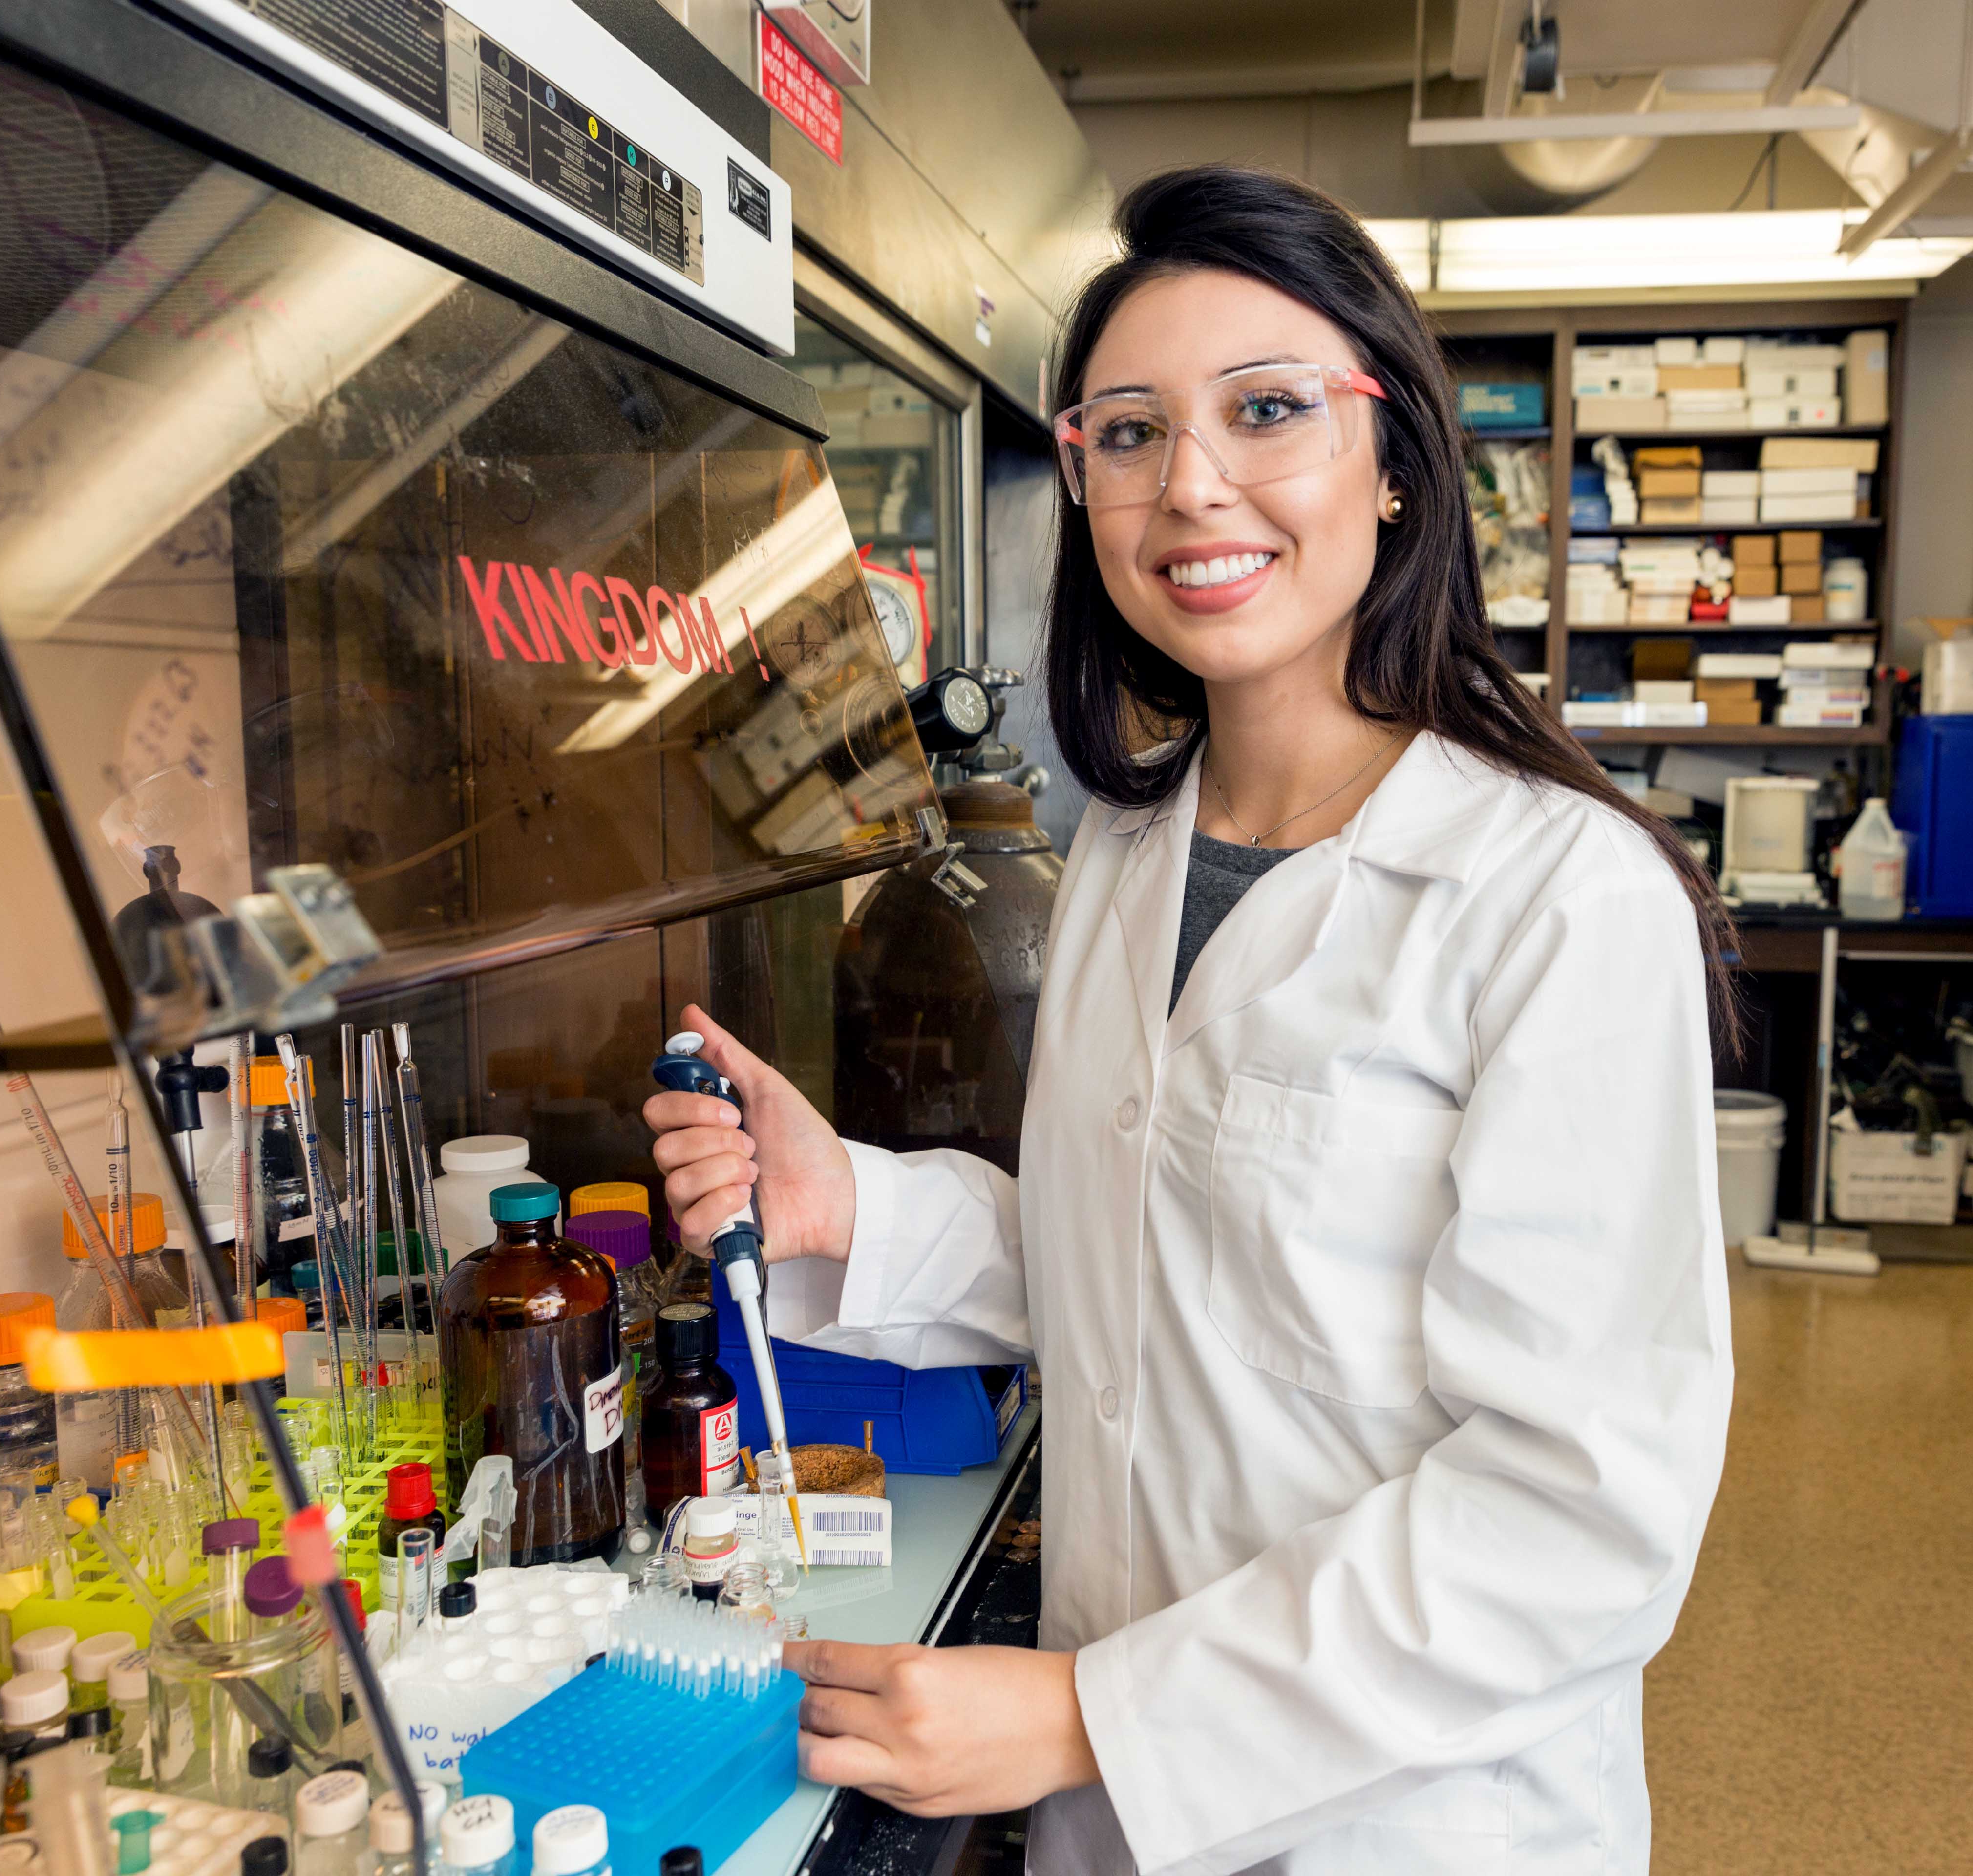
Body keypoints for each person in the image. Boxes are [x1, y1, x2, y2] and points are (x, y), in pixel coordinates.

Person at [646, 165, 1734, 1874]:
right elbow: (1162, 1265)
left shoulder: (1556, 898)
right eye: (1130, 433)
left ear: (1395, 463)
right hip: (1119, 1810)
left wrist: (1089, 1716)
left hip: (1419, 1822)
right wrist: (849, 1202)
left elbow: (1580, 1510)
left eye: (1270, 411)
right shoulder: (1128, 857)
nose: (1193, 486)